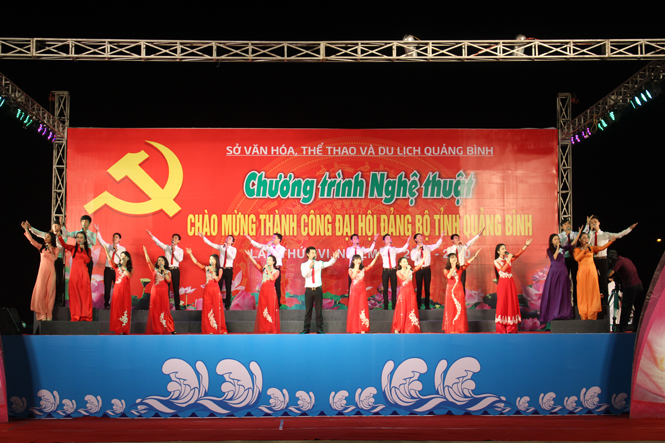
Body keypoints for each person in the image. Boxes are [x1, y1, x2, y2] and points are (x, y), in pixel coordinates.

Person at [587, 216, 637, 301]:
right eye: (592, 222)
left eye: (595, 221)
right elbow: (586, 244)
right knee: (593, 280)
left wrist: (629, 229)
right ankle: (594, 300)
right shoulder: (590, 235)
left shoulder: (605, 234)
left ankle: (605, 302)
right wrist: (590, 231)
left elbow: (619, 235)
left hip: (602, 259)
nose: (593, 223)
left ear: (599, 223)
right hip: (592, 259)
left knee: (604, 280)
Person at [573, 230, 615, 321]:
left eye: (587, 238)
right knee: (583, 293)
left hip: (592, 272)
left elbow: (602, 248)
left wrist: (611, 241)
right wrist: (584, 250)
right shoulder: (577, 250)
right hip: (582, 273)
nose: (586, 239)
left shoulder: (591, 248)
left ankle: (592, 314)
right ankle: (584, 314)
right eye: (584, 238)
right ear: (580, 240)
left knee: (592, 292)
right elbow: (577, 258)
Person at [494, 239, 532, 333]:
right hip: (503, 284)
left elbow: (517, 255)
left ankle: (511, 328)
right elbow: (503, 269)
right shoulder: (496, 261)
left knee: (511, 303)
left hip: (510, 283)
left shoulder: (509, 258)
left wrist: (525, 245)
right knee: (502, 303)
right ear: (498, 251)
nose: (505, 250)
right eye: (502, 249)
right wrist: (508, 259)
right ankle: (501, 328)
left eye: (505, 248)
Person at [21, 221, 58, 321]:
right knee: (41, 292)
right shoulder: (41, 248)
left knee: (50, 292)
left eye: (48, 237)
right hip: (42, 272)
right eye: (45, 237)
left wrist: (50, 250)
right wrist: (26, 229)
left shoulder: (55, 249)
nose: (46, 238)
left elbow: (54, 258)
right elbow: (32, 241)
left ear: (52, 239)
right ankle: (42, 314)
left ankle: (49, 314)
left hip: (51, 272)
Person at [187, 249, 227, 334]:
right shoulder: (206, 268)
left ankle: (220, 329)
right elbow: (196, 263)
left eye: (212, 259)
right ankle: (210, 329)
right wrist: (190, 254)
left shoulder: (220, 270)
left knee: (217, 308)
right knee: (208, 309)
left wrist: (212, 272)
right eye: (210, 259)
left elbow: (217, 279)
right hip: (207, 290)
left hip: (215, 290)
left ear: (216, 260)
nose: (210, 260)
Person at [539, 233, 577, 324]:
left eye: (558, 239)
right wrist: (557, 248)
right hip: (554, 272)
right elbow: (554, 258)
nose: (557, 240)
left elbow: (572, 244)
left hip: (563, 271)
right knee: (553, 292)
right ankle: (553, 313)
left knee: (563, 291)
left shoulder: (563, 249)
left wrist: (579, 233)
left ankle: (562, 312)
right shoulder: (549, 250)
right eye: (555, 239)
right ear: (552, 241)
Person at [300, 246, 339, 334]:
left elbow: (328, 264)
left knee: (319, 310)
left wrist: (334, 258)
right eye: (312, 252)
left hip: (318, 289)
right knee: (308, 311)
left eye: (315, 252)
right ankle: (306, 329)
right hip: (309, 290)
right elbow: (304, 275)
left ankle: (319, 329)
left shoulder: (319, 263)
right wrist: (310, 267)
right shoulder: (304, 265)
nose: (314, 254)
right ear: (307, 254)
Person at [27, 219, 65, 307]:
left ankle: (58, 299)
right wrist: (30, 228)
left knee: (58, 280)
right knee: (46, 281)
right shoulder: (49, 235)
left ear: (60, 227)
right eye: (54, 225)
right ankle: (46, 300)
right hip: (48, 261)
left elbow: (61, 246)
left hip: (58, 260)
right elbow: (38, 233)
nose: (55, 227)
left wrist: (58, 237)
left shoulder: (63, 236)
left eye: (57, 225)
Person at [443, 249, 480, 333]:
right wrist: (453, 268)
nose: (454, 259)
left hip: (459, 290)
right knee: (451, 309)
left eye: (455, 257)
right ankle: (451, 328)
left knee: (460, 309)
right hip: (450, 291)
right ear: (449, 260)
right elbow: (449, 276)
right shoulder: (446, 269)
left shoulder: (460, 268)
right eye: (452, 257)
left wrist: (474, 257)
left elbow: (467, 263)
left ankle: (459, 328)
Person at [58, 231, 93, 321]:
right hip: (74, 274)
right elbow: (64, 245)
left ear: (84, 240)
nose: (79, 239)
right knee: (75, 294)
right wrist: (59, 236)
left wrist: (83, 250)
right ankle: (76, 315)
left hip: (84, 273)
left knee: (84, 295)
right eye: (77, 237)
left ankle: (85, 315)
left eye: (81, 237)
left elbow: (88, 261)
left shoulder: (88, 250)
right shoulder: (73, 248)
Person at [246, 233, 286, 307]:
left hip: (276, 269)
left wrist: (270, 247)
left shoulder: (282, 248)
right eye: (272, 237)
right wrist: (250, 240)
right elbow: (260, 246)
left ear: (279, 239)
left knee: (277, 286)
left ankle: (277, 304)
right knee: (267, 285)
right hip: (268, 269)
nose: (272, 239)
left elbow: (276, 255)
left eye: (274, 238)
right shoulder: (269, 246)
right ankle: (268, 303)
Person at [146, 230, 183, 309]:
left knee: (176, 288)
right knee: (166, 288)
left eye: (176, 238)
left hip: (175, 269)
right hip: (167, 270)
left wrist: (174, 251)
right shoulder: (166, 247)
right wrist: (152, 236)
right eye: (173, 238)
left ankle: (177, 306)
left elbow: (180, 259)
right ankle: (166, 305)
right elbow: (158, 243)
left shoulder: (180, 250)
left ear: (178, 241)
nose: (174, 239)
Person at [246, 250, 281, 334]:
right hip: (263, 291)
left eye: (269, 260)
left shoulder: (276, 271)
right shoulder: (264, 270)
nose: (267, 261)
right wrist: (250, 256)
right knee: (263, 310)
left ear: (273, 262)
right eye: (267, 260)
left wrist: (267, 270)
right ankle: (264, 329)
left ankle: (271, 328)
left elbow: (272, 279)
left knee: (270, 309)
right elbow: (256, 264)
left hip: (271, 292)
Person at [198, 232, 236, 309]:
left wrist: (227, 249)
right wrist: (203, 237)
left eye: (230, 238)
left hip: (228, 270)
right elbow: (211, 244)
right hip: (221, 269)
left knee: (228, 288)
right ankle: (217, 303)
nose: (228, 239)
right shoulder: (221, 247)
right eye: (227, 237)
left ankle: (227, 305)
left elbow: (232, 257)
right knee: (218, 287)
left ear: (232, 242)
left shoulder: (233, 249)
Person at [608, 251, 644, 332]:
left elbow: (609, 274)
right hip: (639, 285)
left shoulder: (619, 262)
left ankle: (622, 328)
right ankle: (637, 327)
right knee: (638, 308)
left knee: (626, 307)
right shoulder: (626, 259)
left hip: (631, 286)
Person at [143, 246, 175, 334]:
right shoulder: (154, 270)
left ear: (165, 262)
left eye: (162, 260)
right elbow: (148, 261)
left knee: (165, 309)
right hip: (155, 292)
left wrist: (164, 271)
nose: (160, 261)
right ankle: (157, 329)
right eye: (159, 260)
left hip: (164, 292)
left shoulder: (168, 272)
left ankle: (169, 328)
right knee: (155, 310)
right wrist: (145, 252)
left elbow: (168, 280)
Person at [392, 254, 427, 333]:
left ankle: (409, 328)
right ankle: (399, 327)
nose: (406, 263)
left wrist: (424, 258)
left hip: (411, 292)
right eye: (404, 261)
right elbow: (404, 279)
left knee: (411, 309)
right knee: (402, 309)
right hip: (403, 292)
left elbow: (418, 267)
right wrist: (408, 270)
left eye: (406, 261)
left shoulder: (410, 270)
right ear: (400, 263)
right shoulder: (398, 272)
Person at [443, 228, 484, 294]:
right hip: (453, 269)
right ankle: (454, 298)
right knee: (454, 285)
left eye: (458, 238)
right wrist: (456, 245)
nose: (458, 239)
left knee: (462, 284)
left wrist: (478, 235)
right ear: (452, 240)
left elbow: (470, 242)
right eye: (456, 238)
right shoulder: (449, 249)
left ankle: (462, 299)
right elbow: (452, 254)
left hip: (461, 268)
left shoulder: (463, 247)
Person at [410, 231, 445, 309]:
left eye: (421, 236)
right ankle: (418, 305)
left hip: (427, 269)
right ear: (415, 240)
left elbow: (436, 245)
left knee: (427, 287)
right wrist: (418, 249)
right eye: (418, 237)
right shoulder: (414, 250)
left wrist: (441, 237)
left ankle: (427, 305)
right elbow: (413, 258)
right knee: (419, 288)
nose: (420, 238)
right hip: (418, 270)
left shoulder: (427, 247)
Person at [95, 224, 126, 310]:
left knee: (118, 288)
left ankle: (117, 304)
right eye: (114, 237)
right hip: (108, 270)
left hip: (117, 270)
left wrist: (116, 251)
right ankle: (106, 304)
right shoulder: (108, 246)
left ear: (119, 239)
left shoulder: (122, 249)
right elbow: (101, 241)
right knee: (107, 287)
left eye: (116, 237)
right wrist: (97, 232)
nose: (115, 238)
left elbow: (123, 259)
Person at [103, 247, 133, 335]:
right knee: (117, 308)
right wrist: (106, 250)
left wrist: (124, 268)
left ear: (128, 258)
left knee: (125, 307)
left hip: (126, 290)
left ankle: (125, 328)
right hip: (118, 289)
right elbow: (110, 260)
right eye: (121, 256)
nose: (121, 258)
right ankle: (118, 328)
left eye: (123, 257)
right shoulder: (116, 266)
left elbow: (129, 276)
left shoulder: (131, 268)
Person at [347, 253, 380, 333]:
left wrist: (375, 257)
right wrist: (356, 268)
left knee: (362, 307)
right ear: (353, 261)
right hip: (354, 291)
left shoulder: (363, 269)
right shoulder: (350, 270)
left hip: (362, 291)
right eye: (356, 259)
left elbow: (370, 266)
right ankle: (354, 329)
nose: (358, 260)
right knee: (354, 308)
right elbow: (353, 277)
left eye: (359, 259)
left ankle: (362, 328)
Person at [379, 234, 410, 310]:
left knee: (394, 289)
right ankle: (385, 306)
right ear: (384, 241)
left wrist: (407, 242)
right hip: (385, 271)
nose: (389, 239)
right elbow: (384, 253)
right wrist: (387, 246)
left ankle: (394, 306)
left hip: (393, 270)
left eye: (389, 238)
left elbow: (403, 249)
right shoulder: (382, 249)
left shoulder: (394, 249)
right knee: (385, 289)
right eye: (387, 238)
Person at [558, 219, 581, 307]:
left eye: (568, 224)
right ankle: (566, 301)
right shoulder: (560, 236)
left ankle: (576, 302)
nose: (567, 225)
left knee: (576, 280)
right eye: (565, 224)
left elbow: (584, 235)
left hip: (575, 259)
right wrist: (566, 236)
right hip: (565, 259)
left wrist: (587, 225)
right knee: (565, 281)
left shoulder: (575, 234)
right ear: (562, 227)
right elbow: (560, 247)